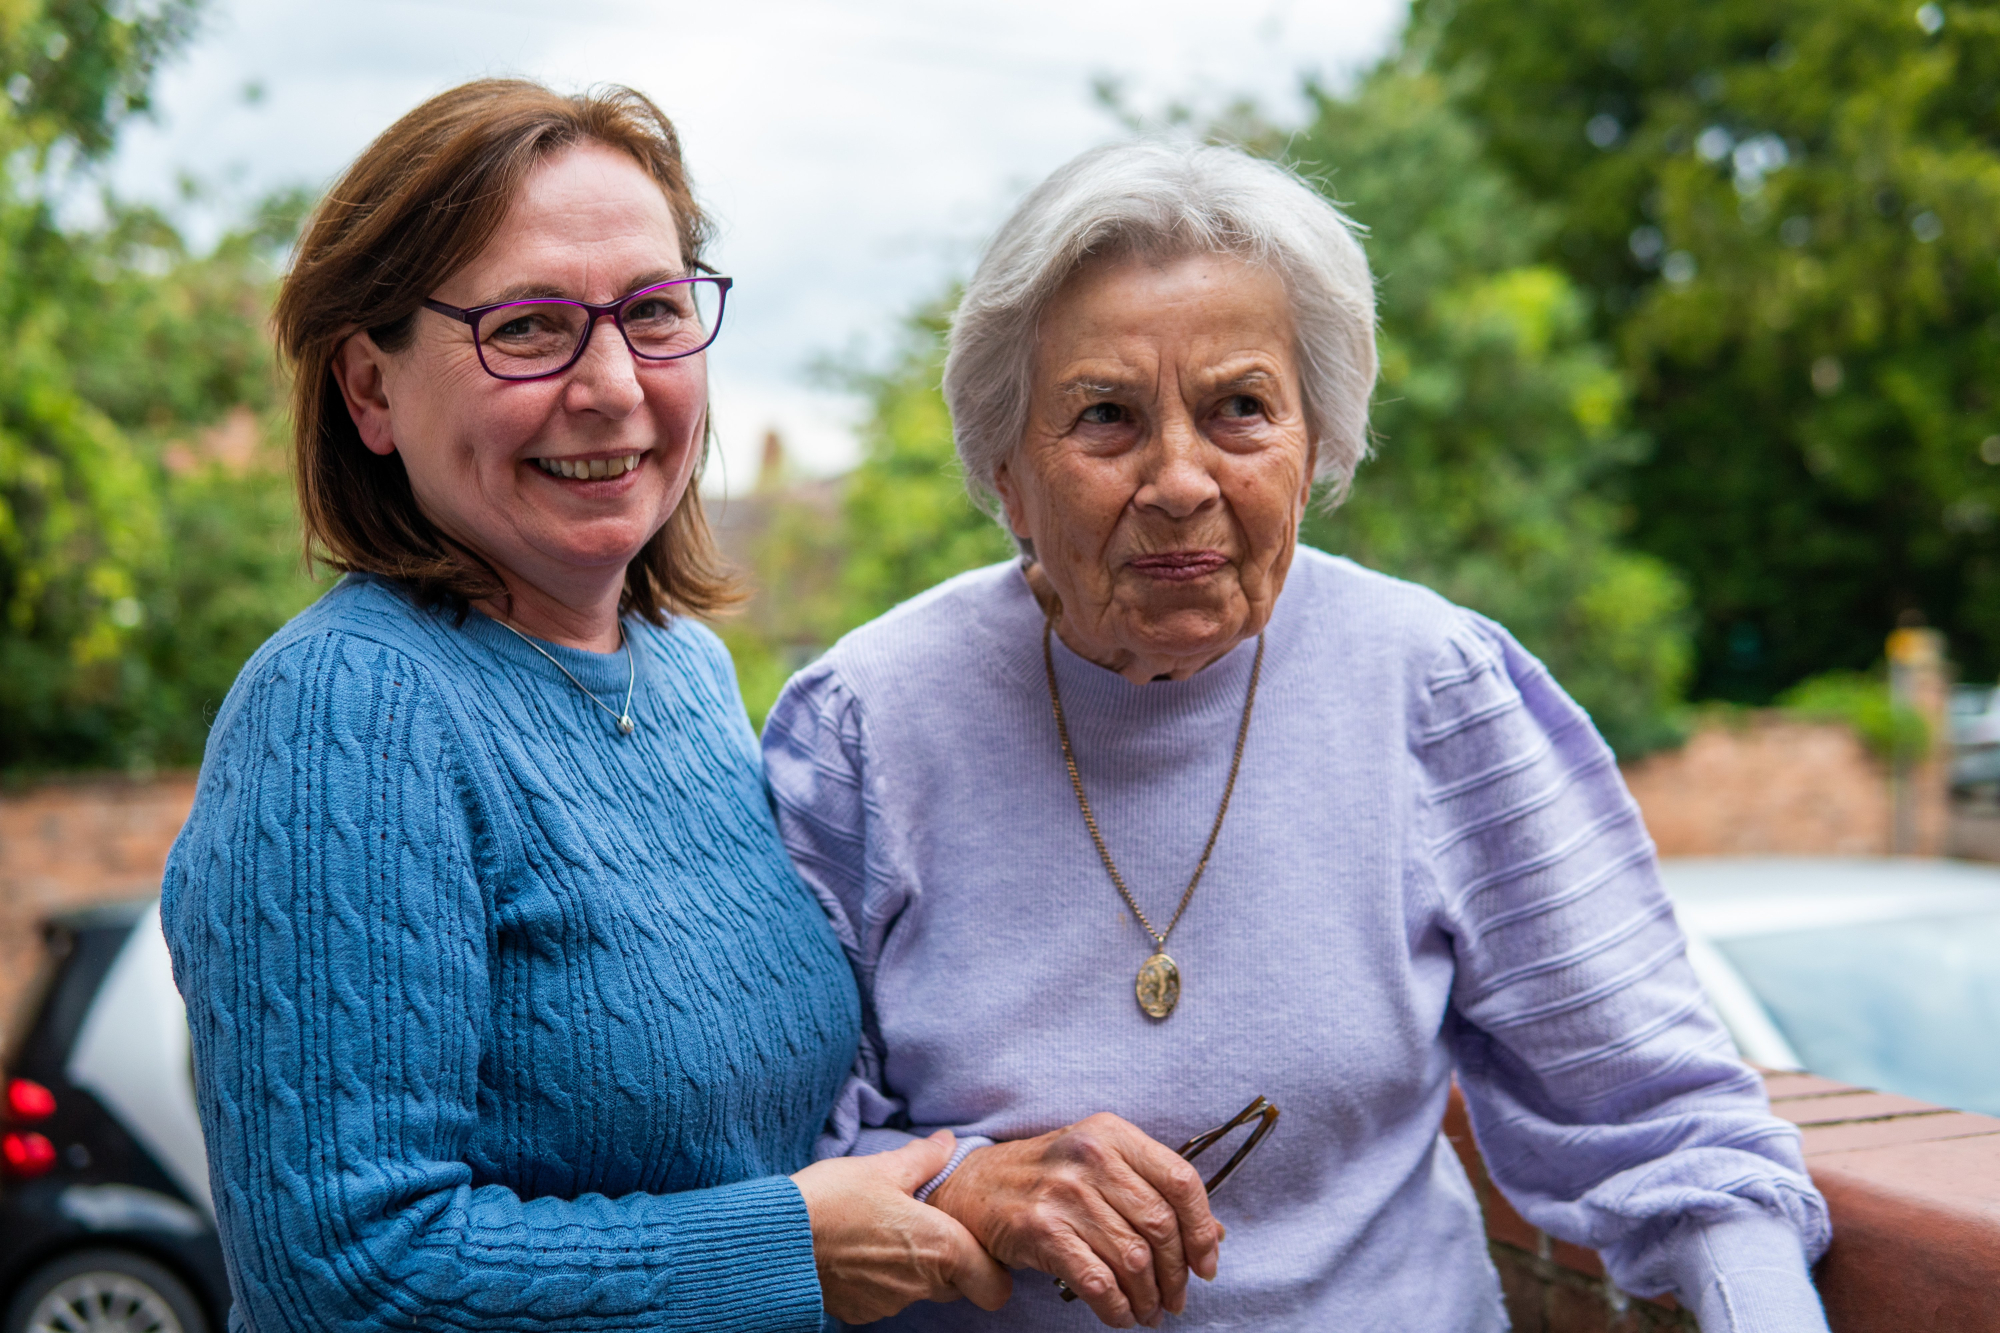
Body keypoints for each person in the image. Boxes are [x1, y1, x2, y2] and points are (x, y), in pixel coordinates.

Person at [763, 141, 1833, 1331]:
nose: (1179, 480)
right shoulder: (863, 724)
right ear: (1004, 470)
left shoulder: (1437, 690)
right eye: (1106, 417)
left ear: (1315, 445)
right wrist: (964, 1185)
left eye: (1239, 409)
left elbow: (1664, 1121)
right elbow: (769, 1151)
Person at [160, 79, 1008, 1333]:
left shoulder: (688, 674)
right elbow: (349, 1273)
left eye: (653, 312)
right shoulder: (347, 708)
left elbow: (767, 1146)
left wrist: (975, 1178)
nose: (612, 383)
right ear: (370, 391)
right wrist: (783, 1254)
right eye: (529, 327)